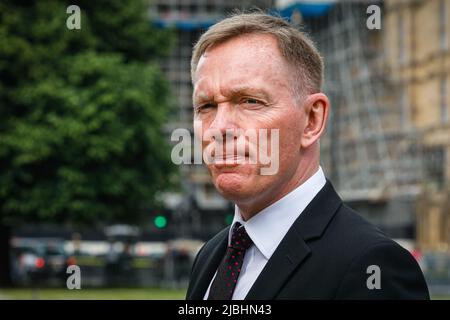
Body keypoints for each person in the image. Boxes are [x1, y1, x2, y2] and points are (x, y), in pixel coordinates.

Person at [186, 12, 429, 300]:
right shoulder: (210, 257)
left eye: (250, 101)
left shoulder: (373, 266)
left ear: (312, 120)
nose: (219, 128)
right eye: (206, 106)